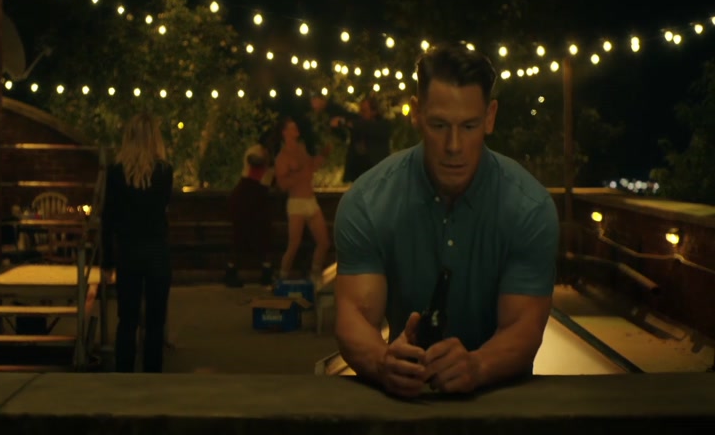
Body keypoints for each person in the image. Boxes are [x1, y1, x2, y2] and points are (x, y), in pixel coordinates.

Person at [333, 44, 560, 398]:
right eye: (439, 125)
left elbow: (524, 327)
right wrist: (382, 362)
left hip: (502, 404)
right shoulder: (368, 202)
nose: (454, 145)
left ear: (490, 117)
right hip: (402, 404)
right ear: (416, 113)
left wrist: (479, 366)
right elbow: (354, 316)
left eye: (469, 126)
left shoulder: (528, 208)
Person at [101, 113, 173, 373]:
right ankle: (152, 376)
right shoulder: (164, 172)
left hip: (128, 251)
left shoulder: (115, 172)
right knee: (155, 322)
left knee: (127, 320)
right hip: (156, 250)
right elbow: (164, 210)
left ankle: (124, 375)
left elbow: (108, 218)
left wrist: (107, 261)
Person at [274, 118, 331, 285]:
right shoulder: (282, 157)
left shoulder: (302, 149)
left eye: (296, 128)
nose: (296, 131)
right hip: (296, 203)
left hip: (310, 200)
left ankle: (315, 274)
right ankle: (282, 277)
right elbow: (282, 184)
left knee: (324, 242)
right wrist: (299, 175)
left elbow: (311, 167)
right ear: (285, 133)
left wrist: (323, 155)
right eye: (292, 128)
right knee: (294, 244)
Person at [225, 130, 276, 287]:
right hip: (246, 195)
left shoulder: (274, 158)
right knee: (240, 235)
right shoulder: (257, 151)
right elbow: (253, 160)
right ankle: (231, 271)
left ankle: (266, 271)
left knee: (263, 234)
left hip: (260, 197)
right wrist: (266, 159)